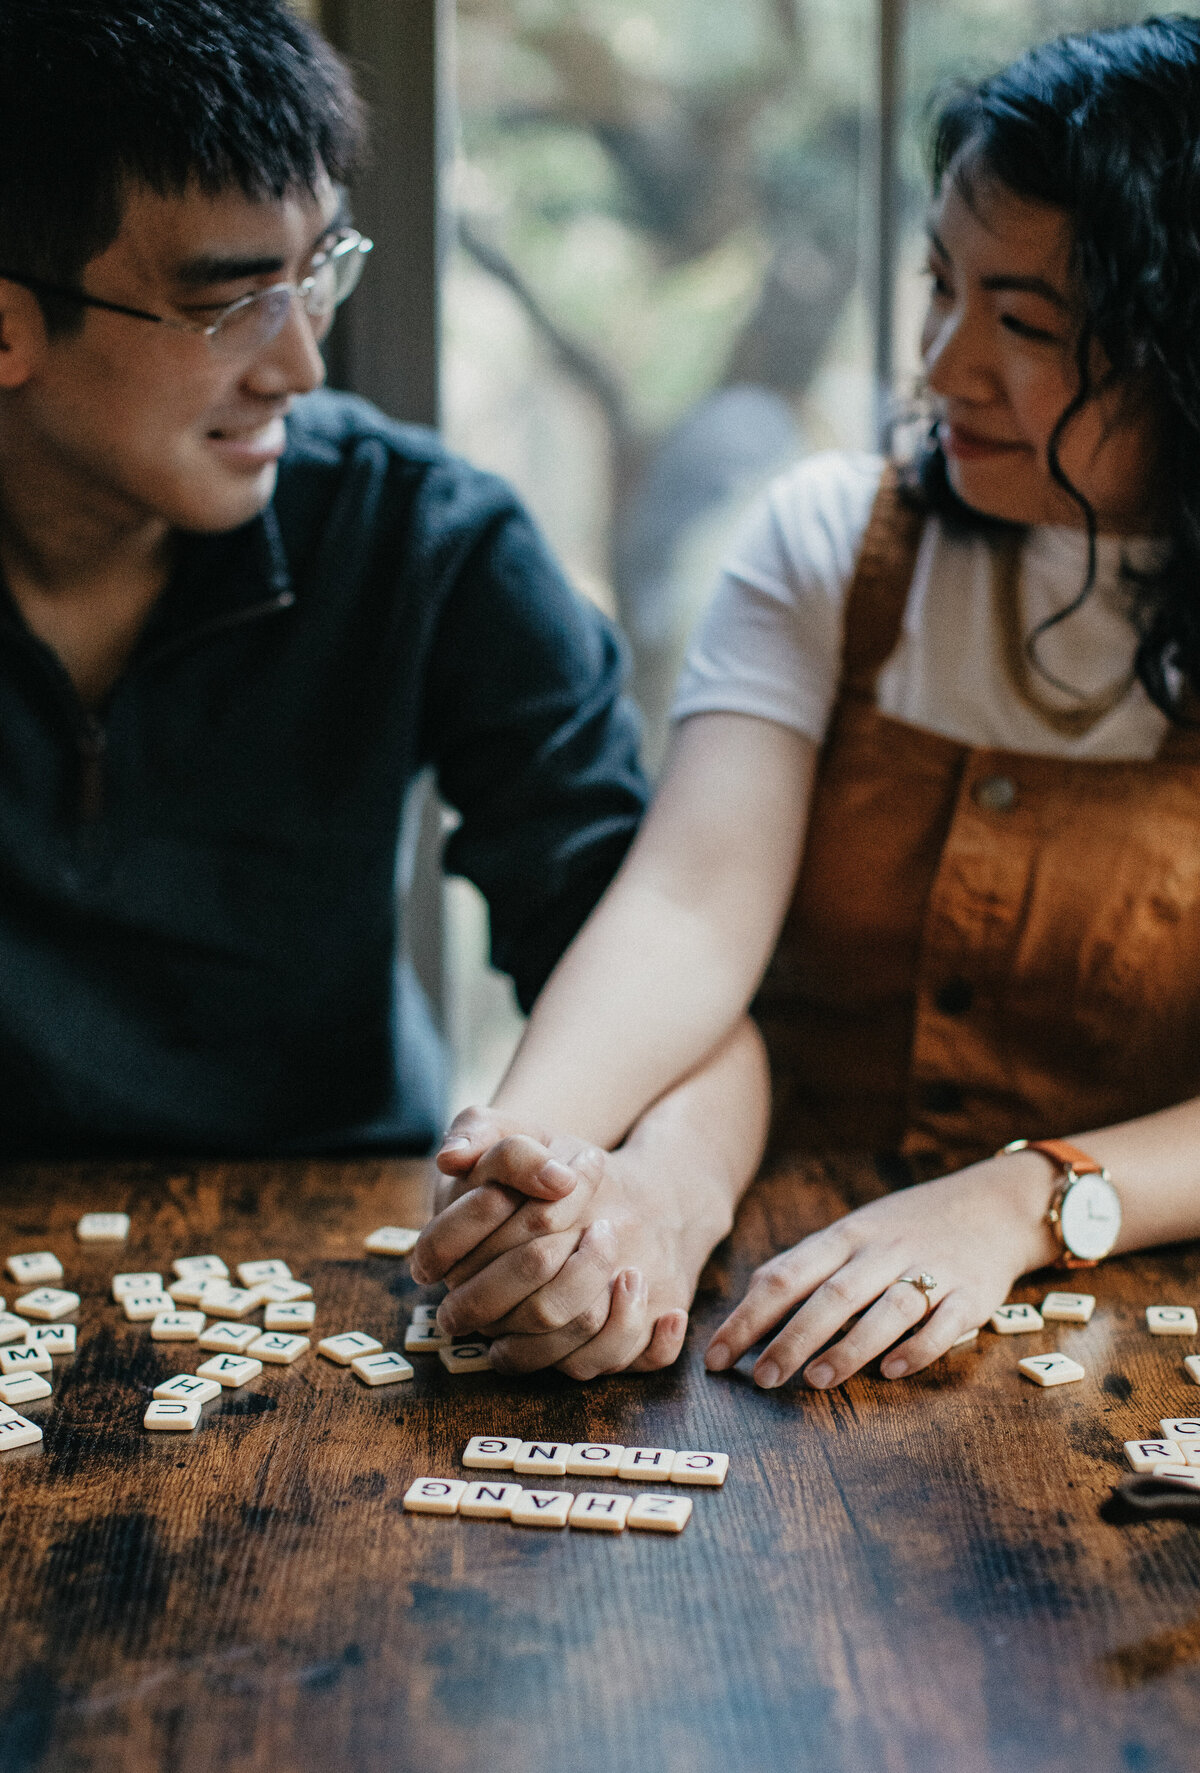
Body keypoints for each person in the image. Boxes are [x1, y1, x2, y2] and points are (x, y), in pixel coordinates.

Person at [415, 15, 1200, 1388]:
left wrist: (1013, 1202)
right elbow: (688, 910)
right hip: (767, 1296)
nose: (945, 363)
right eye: (938, 285)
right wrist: (517, 1168)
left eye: (1022, 322)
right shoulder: (829, 542)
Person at [0, 0, 768, 1369]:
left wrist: (646, 1201)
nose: (299, 361)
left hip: (354, 1281)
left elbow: (680, 990)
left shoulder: (430, 541)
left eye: (318, 274)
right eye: (230, 299)